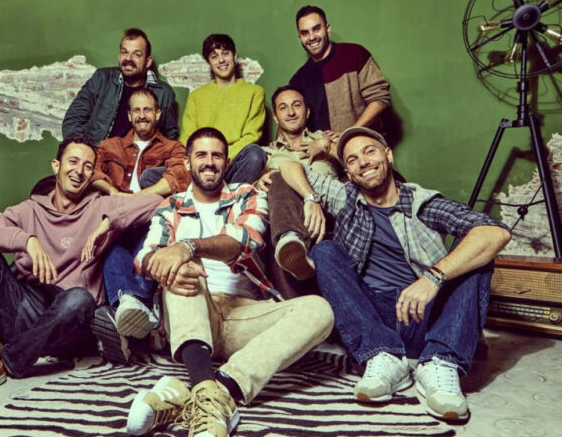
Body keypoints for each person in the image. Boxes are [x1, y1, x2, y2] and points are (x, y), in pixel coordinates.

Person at [279, 126, 511, 421]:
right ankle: (381, 355)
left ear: (388, 156)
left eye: (370, 151)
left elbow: (495, 232)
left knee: (476, 253)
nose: (363, 162)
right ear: (348, 173)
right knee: (325, 251)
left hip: (424, 315)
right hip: (375, 319)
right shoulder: (346, 197)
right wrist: (311, 198)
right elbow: (289, 166)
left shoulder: (421, 203)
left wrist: (433, 277)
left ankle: (440, 363)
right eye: (352, 160)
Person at [0, 136, 163, 406]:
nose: (79, 171)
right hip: (28, 304)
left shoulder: (100, 206)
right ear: (56, 166)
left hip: (71, 323)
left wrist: (108, 223)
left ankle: (2, 360)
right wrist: (27, 240)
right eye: (73, 161)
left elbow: (158, 203)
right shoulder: (30, 210)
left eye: (87, 166)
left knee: (79, 298)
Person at [125, 127, 334, 437]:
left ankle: (205, 392)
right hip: (192, 314)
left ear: (226, 162)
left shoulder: (246, 195)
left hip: (242, 313)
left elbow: (243, 241)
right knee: (184, 267)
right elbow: (145, 257)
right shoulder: (169, 206)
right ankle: (208, 394)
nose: (209, 162)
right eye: (201, 155)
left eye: (217, 156)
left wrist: (188, 245)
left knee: (320, 310)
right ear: (188, 163)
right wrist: (176, 258)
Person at [89, 88, 190, 362]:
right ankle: (135, 308)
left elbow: (179, 176)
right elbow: (93, 172)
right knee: (113, 250)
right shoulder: (109, 146)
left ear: (157, 114)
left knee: (149, 247)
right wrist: (113, 192)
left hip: (150, 215)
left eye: (148, 110)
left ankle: (126, 307)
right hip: (116, 217)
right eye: (137, 110)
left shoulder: (173, 147)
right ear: (129, 115)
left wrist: (138, 198)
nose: (142, 115)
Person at [255, 85, 338, 292]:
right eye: (283, 108)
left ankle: (290, 241)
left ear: (307, 111)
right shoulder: (267, 154)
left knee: (282, 174)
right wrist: (258, 183)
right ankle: (291, 244)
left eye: (296, 105)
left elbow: (357, 159)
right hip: (286, 217)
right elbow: (252, 194)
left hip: (328, 213)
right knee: (278, 177)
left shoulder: (326, 139)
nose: (291, 112)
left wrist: (326, 146)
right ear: (276, 118)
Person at [290, 5, 391, 139]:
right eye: (305, 33)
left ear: (327, 28)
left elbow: (380, 99)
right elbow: (289, 118)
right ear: (300, 37)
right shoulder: (298, 79)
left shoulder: (356, 55)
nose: (311, 37)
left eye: (316, 29)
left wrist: (348, 134)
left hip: (362, 143)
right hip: (322, 149)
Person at [62, 28, 178, 143]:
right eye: (124, 52)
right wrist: (85, 150)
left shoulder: (163, 93)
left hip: (138, 154)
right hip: (97, 152)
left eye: (136, 54)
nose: (128, 58)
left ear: (148, 61)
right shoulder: (101, 79)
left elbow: (169, 137)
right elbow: (72, 121)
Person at [180, 34, 267, 184]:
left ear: (234, 56)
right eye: (214, 56)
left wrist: (220, 158)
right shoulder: (196, 96)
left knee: (255, 154)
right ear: (209, 63)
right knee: (150, 175)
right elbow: (187, 138)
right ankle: (213, 190)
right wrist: (207, 159)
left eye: (225, 53)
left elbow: (251, 136)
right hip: (203, 164)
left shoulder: (255, 92)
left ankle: (229, 196)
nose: (221, 60)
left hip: (233, 162)